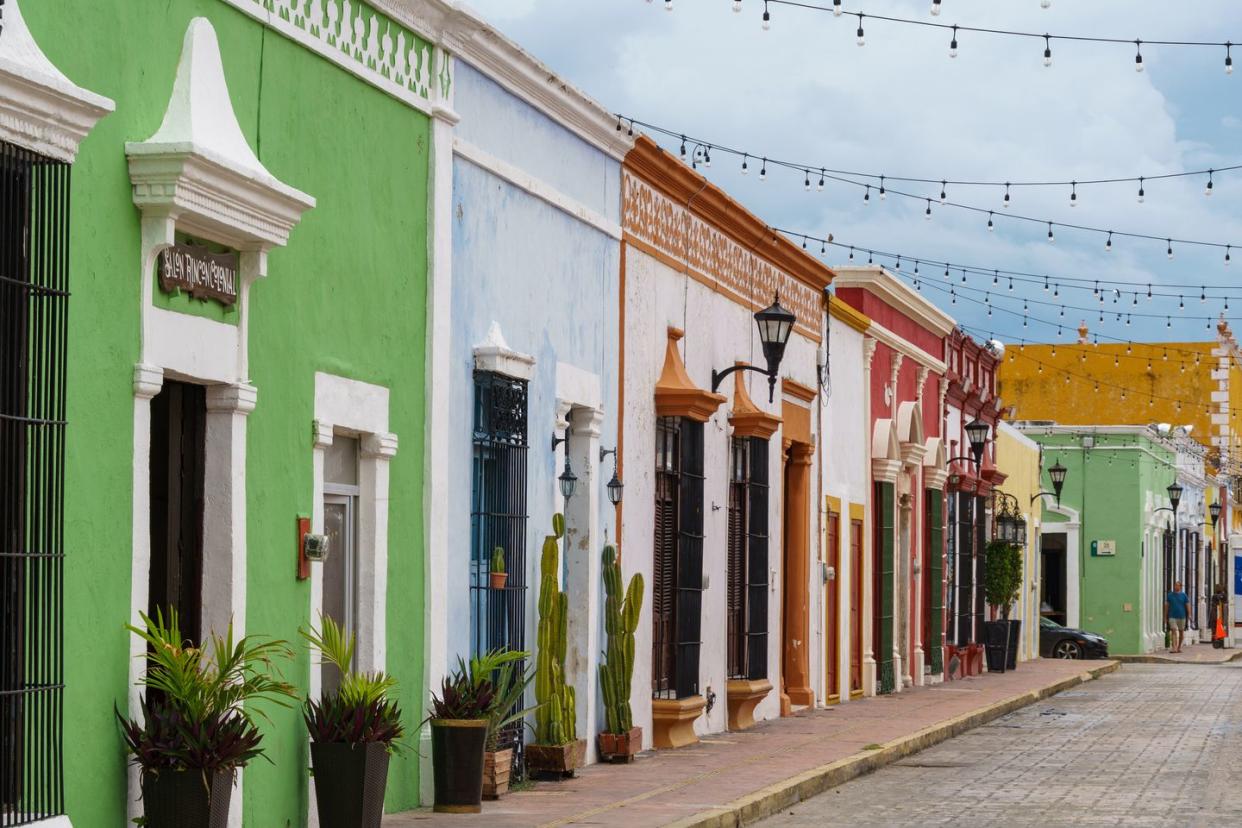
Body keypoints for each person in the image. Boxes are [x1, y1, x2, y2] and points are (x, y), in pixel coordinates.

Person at [1166, 581, 1191, 653]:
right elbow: (1167, 606)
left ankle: (1179, 647)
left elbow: (1188, 605)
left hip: (1182, 616)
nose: (1176, 587)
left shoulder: (1184, 595)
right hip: (1172, 616)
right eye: (1175, 585)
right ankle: (1174, 647)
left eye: (1177, 585)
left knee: (1181, 632)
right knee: (1173, 630)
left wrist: (1189, 614)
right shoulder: (1170, 595)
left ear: (1180, 587)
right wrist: (1165, 616)